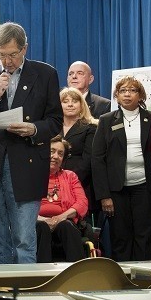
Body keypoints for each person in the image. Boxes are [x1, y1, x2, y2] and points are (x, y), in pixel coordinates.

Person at [0, 22, 62, 264]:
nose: (7, 61)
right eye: (2, 55)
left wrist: (33, 128)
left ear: (25, 49)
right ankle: (0, 295)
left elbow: (55, 121)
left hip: (27, 163)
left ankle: (26, 295)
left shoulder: (45, 74)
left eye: (12, 54)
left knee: (24, 240)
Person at [92, 76, 151, 261]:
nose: (127, 94)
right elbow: (97, 159)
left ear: (140, 95)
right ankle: (122, 281)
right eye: (123, 91)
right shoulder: (106, 120)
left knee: (145, 236)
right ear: (116, 95)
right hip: (116, 190)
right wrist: (104, 195)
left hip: (146, 187)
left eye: (132, 90)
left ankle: (144, 280)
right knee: (120, 237)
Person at [36, 136, 88, 263]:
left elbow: (82, 203)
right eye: (52, 151)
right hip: (36, 221)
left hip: (64, 221)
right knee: (42, 227)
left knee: (66, 226)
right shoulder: (31, 175)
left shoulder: (70, 176)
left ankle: (78, 273)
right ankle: (42, 274)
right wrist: (43, 219)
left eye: (60, 153)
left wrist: (60, 217)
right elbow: (20, 206)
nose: (55, 156)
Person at [59, 87, 98, 222]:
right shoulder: (52, 127)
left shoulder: (91, 127)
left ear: (82, 105)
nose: (70, 104)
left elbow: (88, 160)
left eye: (74, 101)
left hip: (80, 184)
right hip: (52, 186)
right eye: (65, 101)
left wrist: (68, 182)